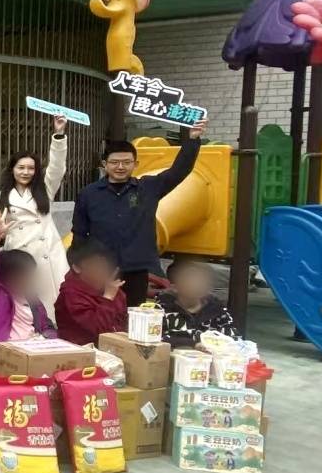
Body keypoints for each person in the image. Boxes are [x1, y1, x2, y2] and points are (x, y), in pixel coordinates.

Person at [72, 119, 207, 305]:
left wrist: (192, 139)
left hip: (137, 269)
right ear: (105, 164)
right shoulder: (88, 194)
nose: (120, 167)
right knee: (101, 312)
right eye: (115, 162)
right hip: (100, 268)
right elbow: (79, 233)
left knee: (134, 313)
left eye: (126, 162)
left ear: (135, 164)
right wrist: (77, 265)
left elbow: (179, 171)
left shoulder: (148, 188)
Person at [0, 115, 70, 319]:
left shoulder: (45, 189)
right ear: (12, 170)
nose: (26, 172)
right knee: (23, 307)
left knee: (53, 305)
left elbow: (57, 168)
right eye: (21, 167)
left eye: (31, 168)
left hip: (48, 256)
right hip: (19, 258)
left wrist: (58, 135)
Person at [0, 216, 58, 366]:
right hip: (0, 359)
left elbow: (47, 326)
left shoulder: (32, 299)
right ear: (7, 275)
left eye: (29, 275)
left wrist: (48, 340)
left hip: (34, 357)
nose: (27, 280)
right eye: (22, 275)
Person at [55, 240, 128, 346]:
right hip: (81, 351)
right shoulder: (70, 295)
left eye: (103, 264)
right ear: (76, 267)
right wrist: (107, 298)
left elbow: (123, 326)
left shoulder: (112, 289)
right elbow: (99, 331)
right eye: (94, 265)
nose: (101, 270)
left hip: (114, 348)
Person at [158, 259, 239, 347]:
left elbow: (234, 338)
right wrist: (193, 344)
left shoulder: (217, 310)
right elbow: (155, 337)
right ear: (174, 287)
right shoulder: (161, 310)